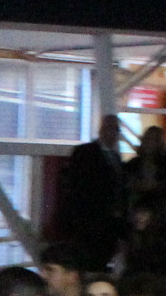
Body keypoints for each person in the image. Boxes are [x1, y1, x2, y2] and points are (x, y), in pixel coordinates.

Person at [54, 114, 130, 267]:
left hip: (106, 223)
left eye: (116, 130)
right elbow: (79, 186)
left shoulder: (114, 157)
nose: (113, 133)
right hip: (89, 220)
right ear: (101, 130)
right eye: (109, 128)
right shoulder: (86, 152)